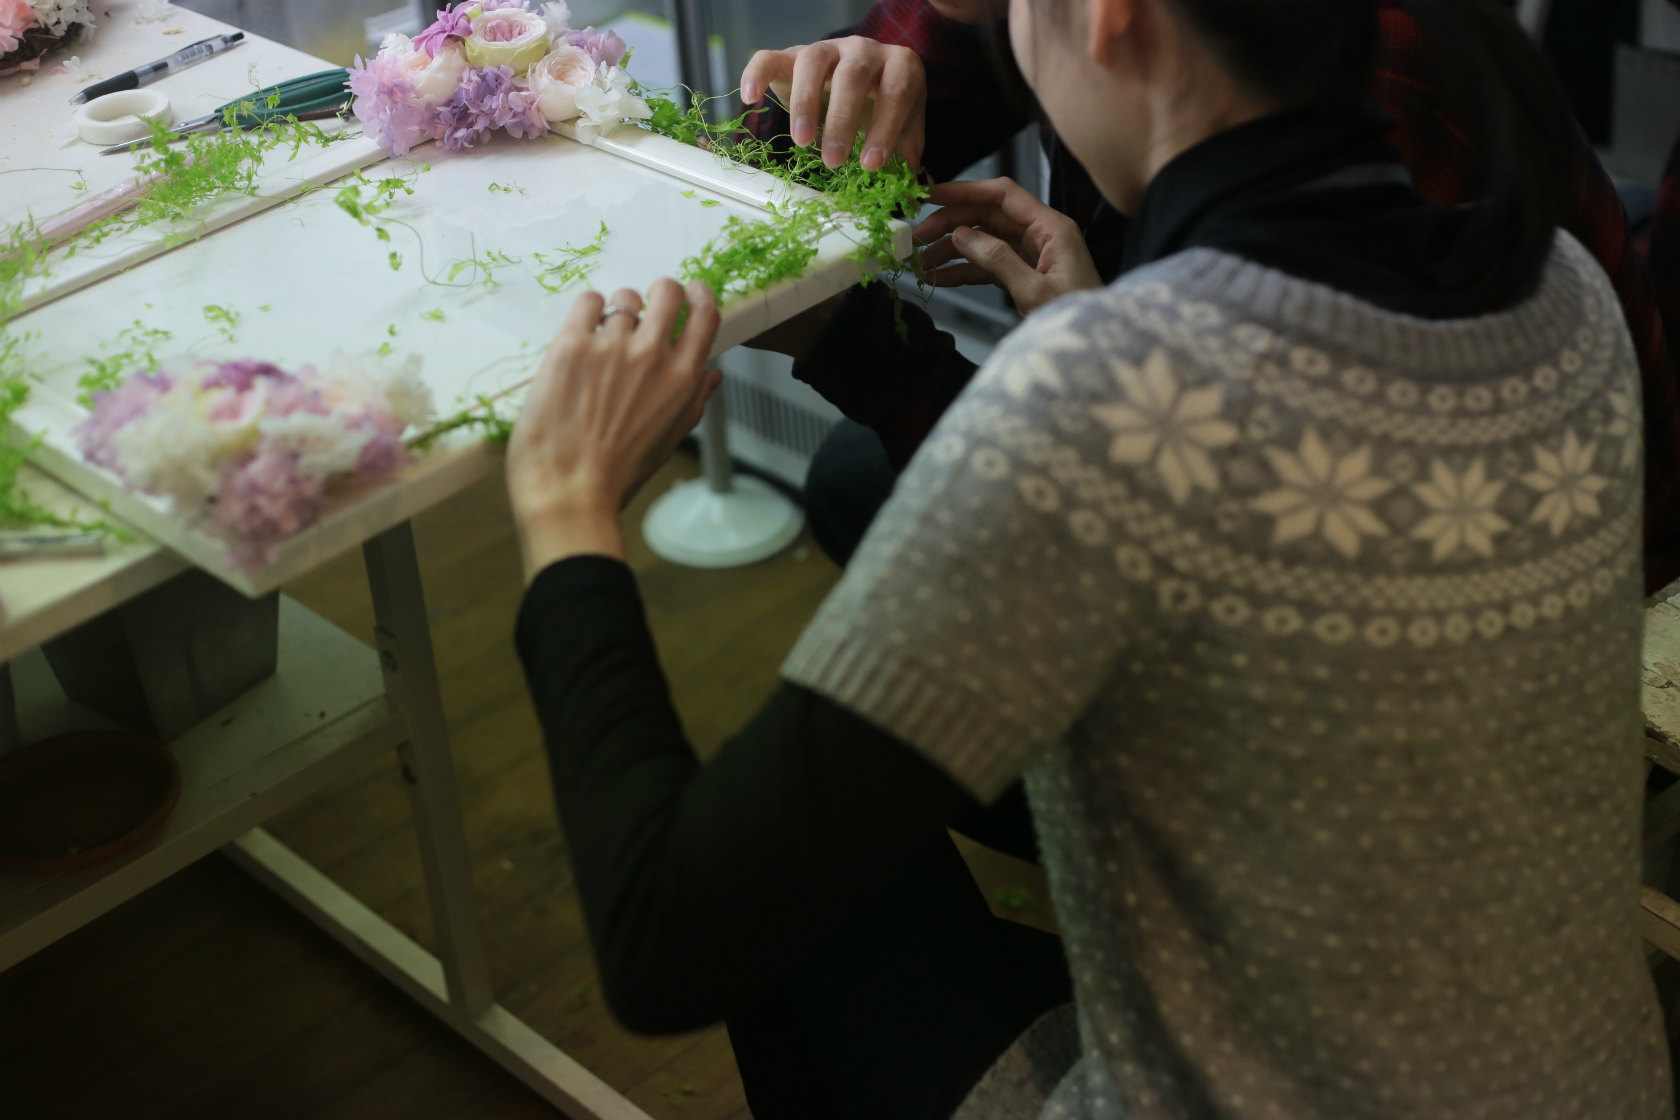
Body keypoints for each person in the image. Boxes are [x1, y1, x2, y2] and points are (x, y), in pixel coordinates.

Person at [506, 0, 1673, 1116]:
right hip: (1590, 1080)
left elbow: (661, 943)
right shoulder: (1555, 283)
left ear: (1110, 12)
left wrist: (567, 503)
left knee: (792, 883)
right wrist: (1078, 350)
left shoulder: (1103, 402)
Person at [737, 0, 1680, 591]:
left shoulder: (1357, 118)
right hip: (1252, 484)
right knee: (861, 479)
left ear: (1108, 20)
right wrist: (828, 99)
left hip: (1446, 612)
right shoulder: (1082, 20)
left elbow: (1185, 574)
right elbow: (792, 151)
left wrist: (856, 343)